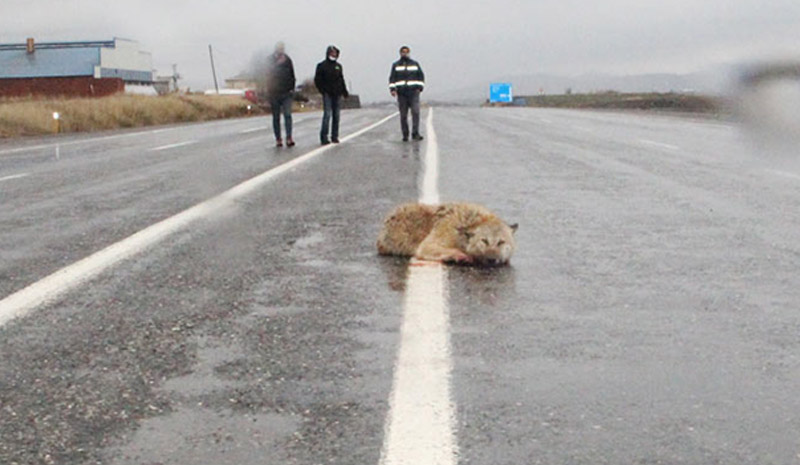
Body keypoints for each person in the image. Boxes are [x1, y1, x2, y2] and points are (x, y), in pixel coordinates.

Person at [389, 46, 425, 141]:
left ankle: (415, 133)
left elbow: (421, 76)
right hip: (402, 94)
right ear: (400, 53)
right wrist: (392, 89)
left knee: (415, 112)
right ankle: (405, 134)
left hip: (413, 93)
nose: (405, 53)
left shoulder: (415, 64)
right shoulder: (396, 65)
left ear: (409, 53)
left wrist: (420, 88)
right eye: (403, 52)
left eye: (406, 52)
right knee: (403, 115)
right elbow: (392, 78)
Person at [314, 45, 349, 145]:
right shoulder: (321, 66)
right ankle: (324, 137)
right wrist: (323, 90)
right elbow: (317, 80)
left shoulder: (338, 66)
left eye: (335, 53)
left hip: (337, 93)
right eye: (332, 53)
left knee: (336, 116)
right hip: (327, 93)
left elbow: (341, 79)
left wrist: (344, 91)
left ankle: (335, 136)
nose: (334, 55)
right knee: (327, 115)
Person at [265, 41, 296, 147]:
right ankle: (278, 139)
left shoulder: (288, 60)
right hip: (274, 93)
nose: (281, 50)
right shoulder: (270, 60)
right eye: (279, 48)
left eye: (282, 48)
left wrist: (292, 88)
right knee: (276, 117)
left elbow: (292, 75)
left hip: (286, 92)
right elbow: (267, 74)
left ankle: (289, 137)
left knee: (287, 115)